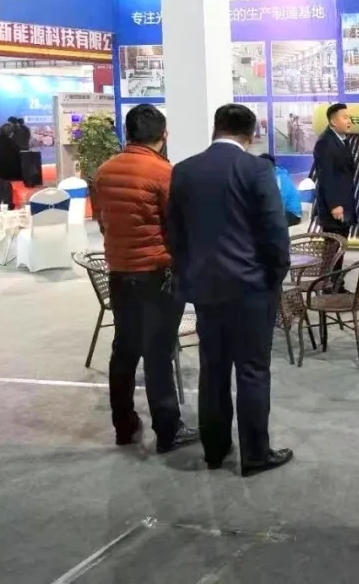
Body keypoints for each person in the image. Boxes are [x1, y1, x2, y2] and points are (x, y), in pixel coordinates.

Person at [166, 104, 293, 477]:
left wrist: (190, 274)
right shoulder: (256, 170)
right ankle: (255, 455)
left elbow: (175, 233)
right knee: (253, 371)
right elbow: (275, 232)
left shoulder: (185, 170)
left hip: (205, 288)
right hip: (252, 288)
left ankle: (215, 450)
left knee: (213, 369)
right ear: (251, 135)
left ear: (215, 128)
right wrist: (274, 278)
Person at [92, 104, 197, 451]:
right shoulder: (164, 172)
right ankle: (167, 430)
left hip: (120, 272)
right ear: (164, 135)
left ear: (127, 133)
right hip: (157, 274)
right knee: (158, 353)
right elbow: (178, 226)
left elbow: (102, 221)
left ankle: (124, 426)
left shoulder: (104, 171)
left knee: (124, 350)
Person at [313, 102, 357, 291]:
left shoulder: (341, 140)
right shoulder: (325, 142)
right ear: (332, 121)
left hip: (344, 203)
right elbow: (326, 176)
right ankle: (329, 286)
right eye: (344, 117)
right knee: (333, 248)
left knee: (340, 247)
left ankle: (337, 285)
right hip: (335, 207)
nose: (349, 121)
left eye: (349, 117)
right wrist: (334, 204)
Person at [260, 153, 302, 226]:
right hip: (281, 211)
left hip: (292, 214)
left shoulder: (280, 178)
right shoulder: (269, 176)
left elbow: (281, 200)